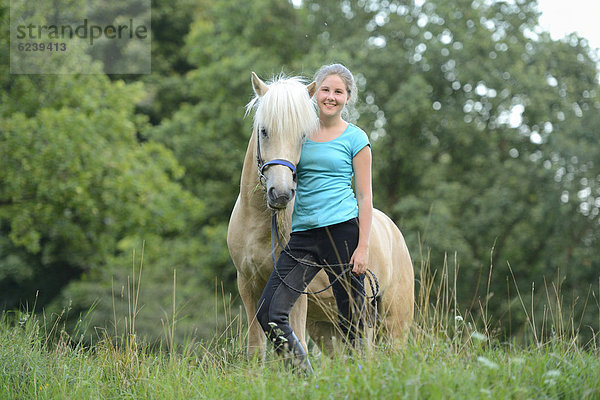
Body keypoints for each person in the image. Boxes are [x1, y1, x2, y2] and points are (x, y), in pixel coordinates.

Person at [256, 63, 373, 373]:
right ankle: (305, 378)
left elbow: (364, 197)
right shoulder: (299, 134)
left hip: (343, 233)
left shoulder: (356, 138)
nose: (331, 97)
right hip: (305, 235)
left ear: (348, 97)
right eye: (325, 90)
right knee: (269, 313)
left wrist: (362, 248)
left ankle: (359, 385)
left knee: (353, 324)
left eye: (339, 91)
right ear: (315, 93)